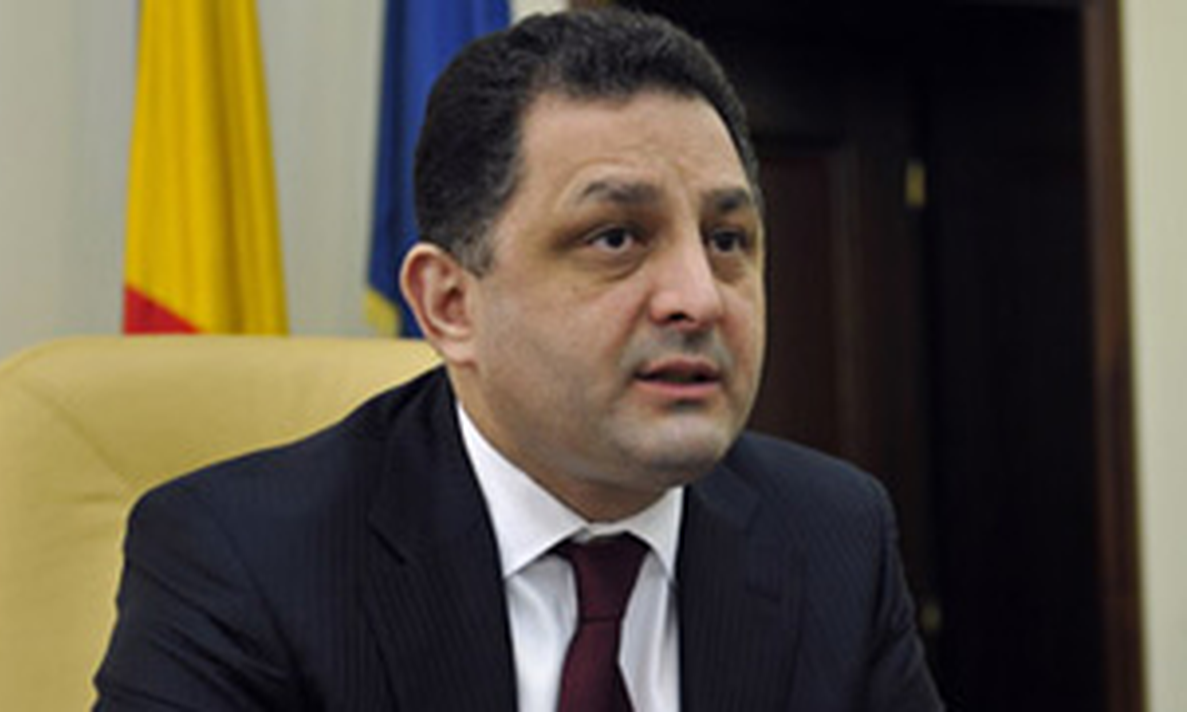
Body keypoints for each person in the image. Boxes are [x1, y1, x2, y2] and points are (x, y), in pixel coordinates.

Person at [94, 8, 944, 711]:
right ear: (450, 305)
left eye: (727, 240)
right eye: (616, 238)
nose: (700, 297)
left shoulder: (832, 536)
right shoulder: (247, 559)